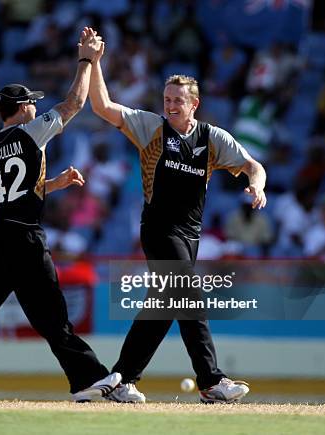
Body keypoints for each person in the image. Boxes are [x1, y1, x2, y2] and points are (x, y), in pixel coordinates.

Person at [0, 28, 122, 402]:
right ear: (22, 109)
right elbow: (73, 104)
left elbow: (18, 189)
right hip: (24, 236)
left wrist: (54, 183)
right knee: (52, 315)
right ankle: (88, 380)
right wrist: (87, 60)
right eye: (32, 104)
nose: (37, 107)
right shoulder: (29, 134)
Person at [88, 29, 267, 404]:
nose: (170, 105)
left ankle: (122, 379)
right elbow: (102, 106)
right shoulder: (151, 128)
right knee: (187, 295)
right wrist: (93, 61)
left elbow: (254, 165)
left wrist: (257, 185)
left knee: (165, 304)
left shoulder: (212, 139)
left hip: (191, 233)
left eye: (177, 101)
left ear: (194, 104)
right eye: (166, 99)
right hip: (158, 228)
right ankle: (211, 380)